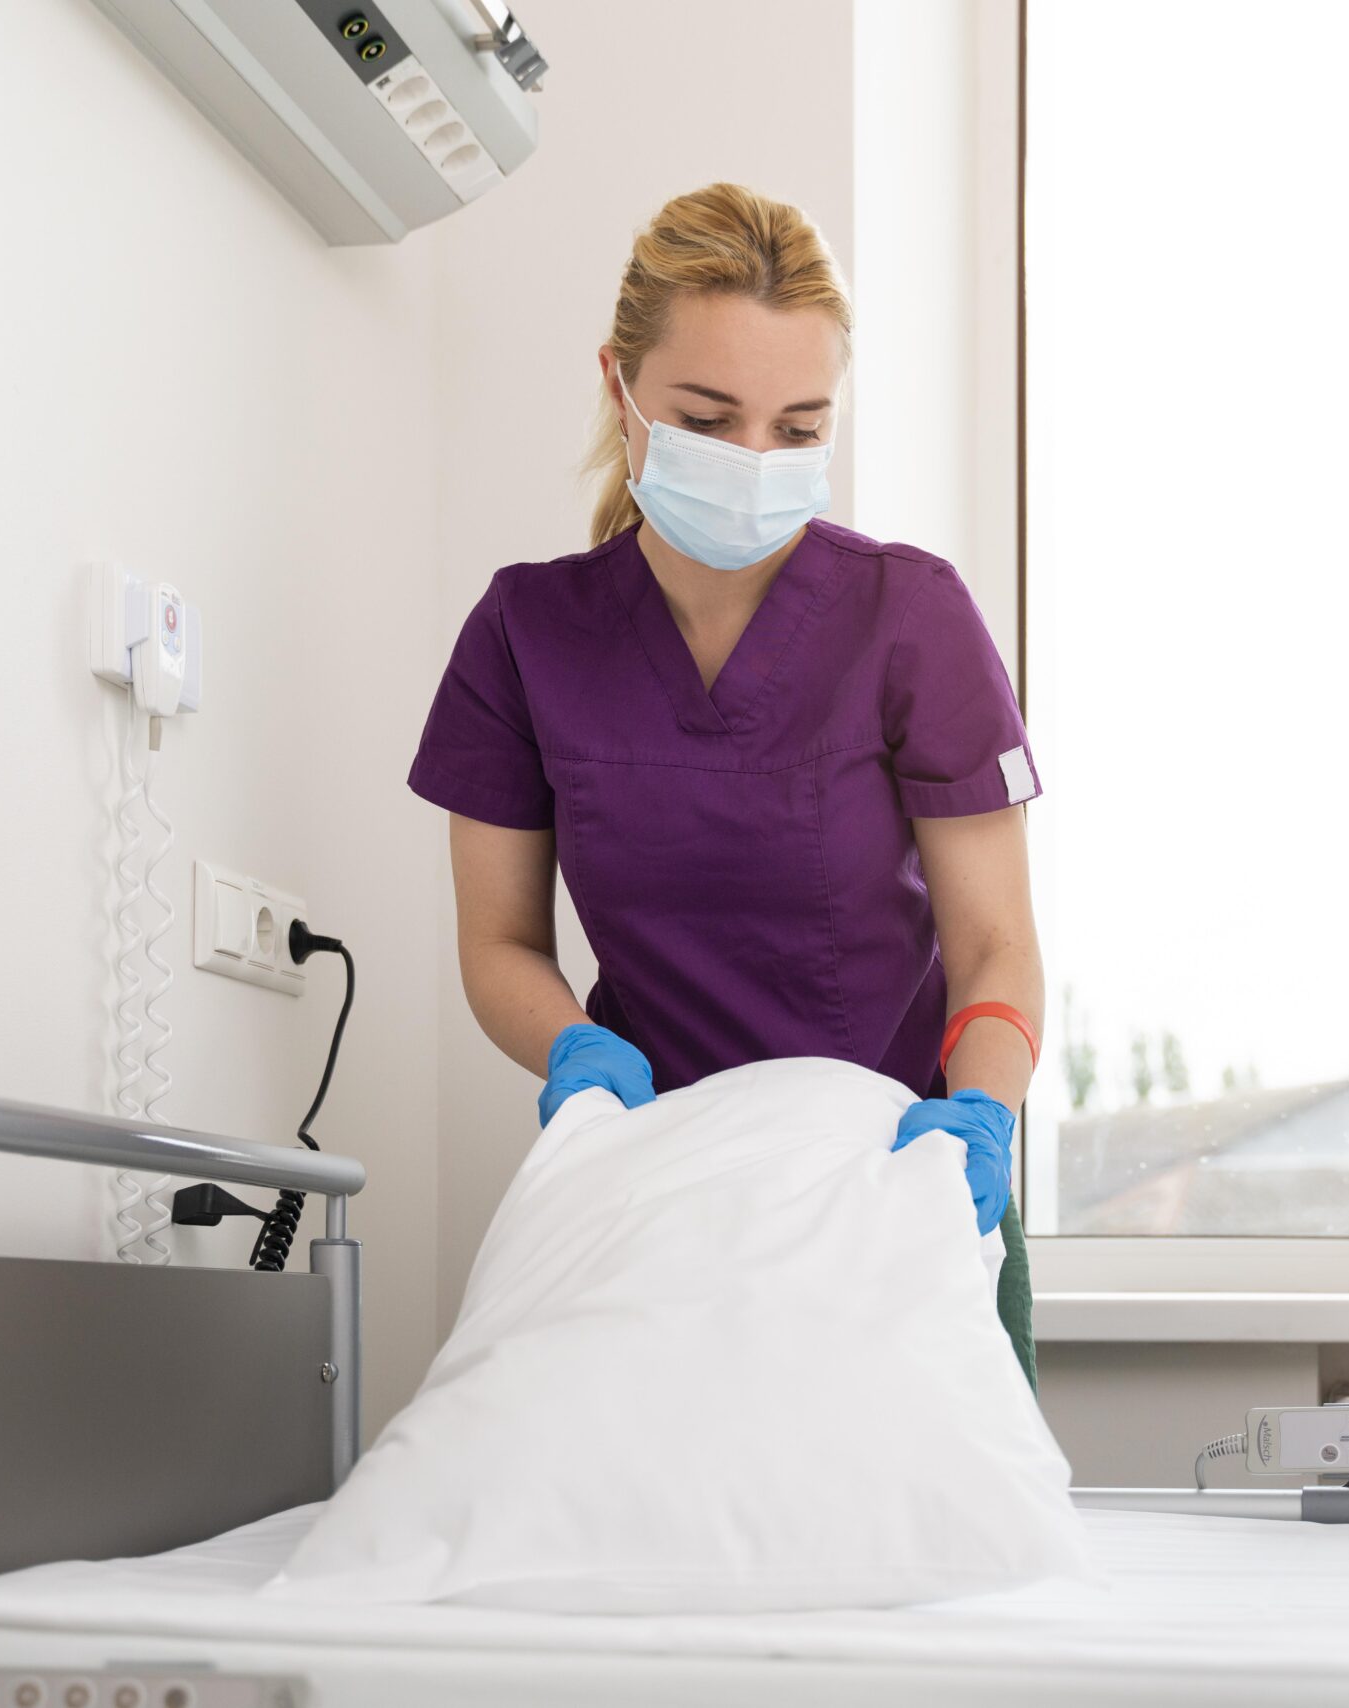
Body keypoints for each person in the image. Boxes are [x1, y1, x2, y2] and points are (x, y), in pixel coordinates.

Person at [408, 182, 1045, 1384]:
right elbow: (498, 940)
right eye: (708, 418)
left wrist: (980, 1119)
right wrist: (576, 1055)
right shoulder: (525, 634)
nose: (755, 461)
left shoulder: (910, 618)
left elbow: (998, 946)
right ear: (619, 386)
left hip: (901, 1186)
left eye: (800, 429)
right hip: (664, 1193)